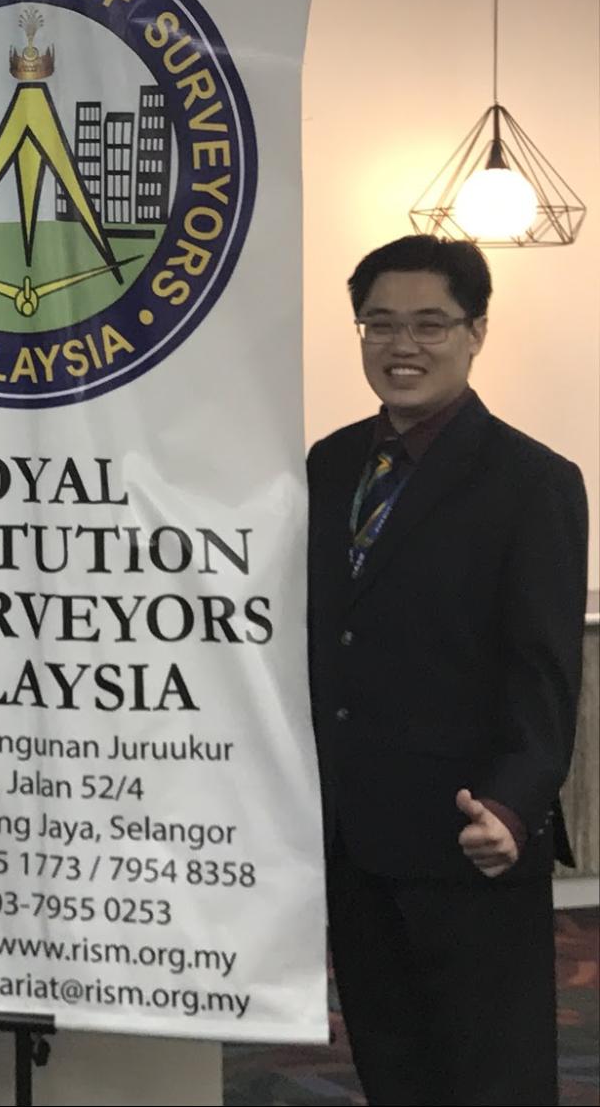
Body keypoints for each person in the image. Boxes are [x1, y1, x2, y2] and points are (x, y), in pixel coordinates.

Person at [309, 234, 587, 1106]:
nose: (403, 345)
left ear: (475, 332)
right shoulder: (329, 465)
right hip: (352, 830)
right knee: (389, 1063)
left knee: (489, 1075)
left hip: (469, 833)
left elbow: (543, 670)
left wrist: (513, 803)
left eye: (429, 324)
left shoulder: (532, 481)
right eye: (379, 324)